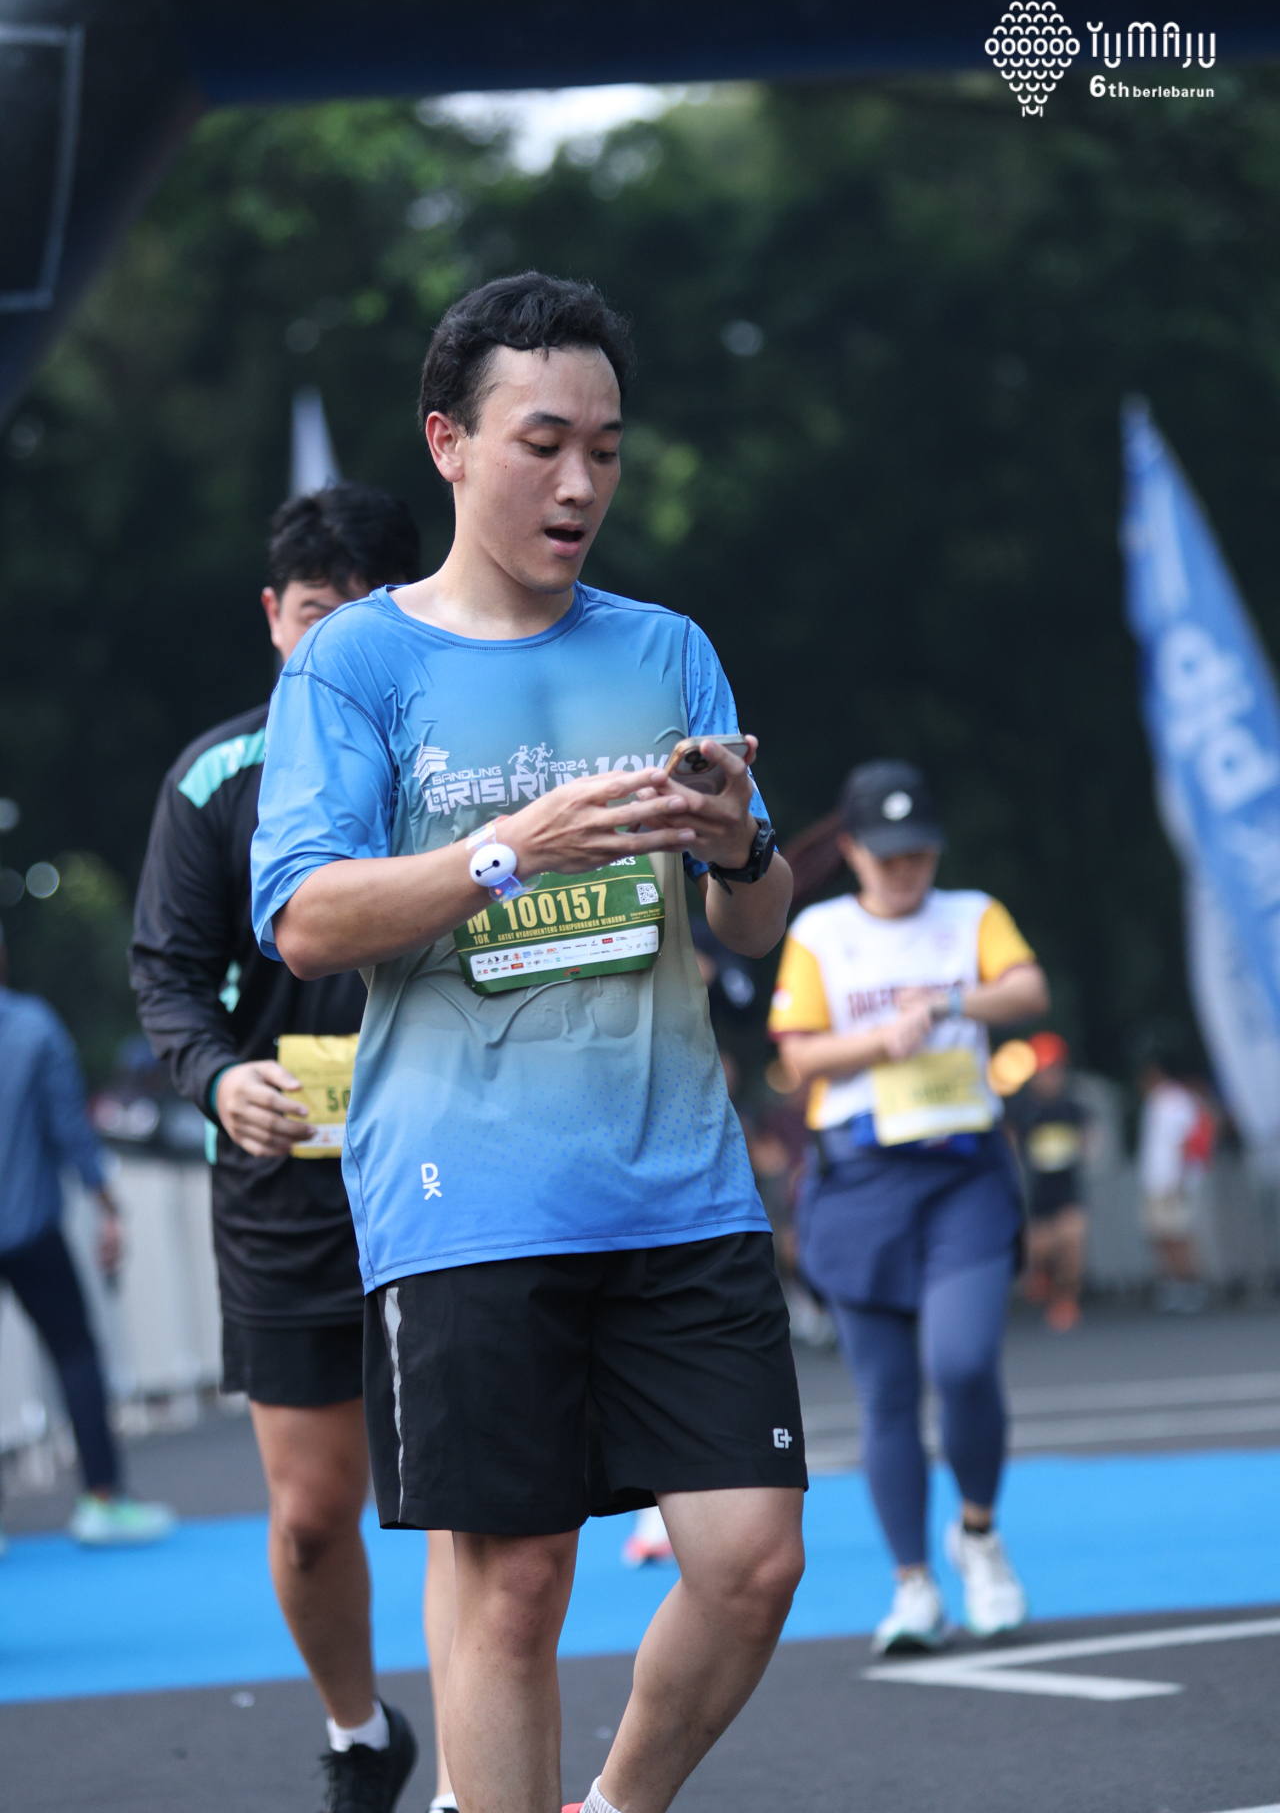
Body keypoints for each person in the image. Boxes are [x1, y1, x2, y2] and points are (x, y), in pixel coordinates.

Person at [250, 273, 807, 1813]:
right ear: (448, 442)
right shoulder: (356, 665)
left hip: (679, 1184)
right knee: (514, 1587)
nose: (580, 486)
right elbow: (304, 919)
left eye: (606, 451)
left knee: (753, 1561)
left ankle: (613, 1804)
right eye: (543, 444)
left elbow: (755, 925)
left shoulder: (668, 650)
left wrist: (741, 844)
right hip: (467, 1195)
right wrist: (512, 849)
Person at [130, 484, 453, 1813]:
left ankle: (478, 1770)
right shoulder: (215, 779)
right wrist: (219, 1082)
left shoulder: (462, 760)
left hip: (455, 1170)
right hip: (286, 1191)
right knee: (315, 1520)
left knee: (469, 1499)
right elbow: (166, 975)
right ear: (274, 618)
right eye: (316, 615)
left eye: (367, 616)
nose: (336, 643)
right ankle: (361, 1733)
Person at [768, 760, 1049, 1653]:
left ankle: (979, 1536)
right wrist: (879, 1041)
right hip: (858, 1182)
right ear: (851, 849)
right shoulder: (821, 932)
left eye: (919, 853)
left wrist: (952, 1000)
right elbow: (798, 1056)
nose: (904, 870)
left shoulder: (971, 915)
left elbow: (1029, 990)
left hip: (963, 1173)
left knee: (962, 1362)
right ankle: (913, 1585)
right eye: (886, 855)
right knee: (886, 1396)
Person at [0, 922, 174, 1551]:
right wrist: (108, 1207)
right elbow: (70, 1130)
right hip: (28, 1226)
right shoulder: (32, 1026)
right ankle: (101, 1498)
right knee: (74, 1353)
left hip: (28, 1220)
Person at [1008, 1031, 1089, 1332]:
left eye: (1054, 1072)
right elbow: (1010, 1148)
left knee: (1072, 1241)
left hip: (1068, 1193)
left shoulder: (1072, 1110)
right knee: (1038, 1249)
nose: (1049, 1079)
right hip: (1035, 1196)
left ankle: (1066, 1300)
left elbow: (1091, 1143)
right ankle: (1041, 1275)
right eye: (1043, 1073)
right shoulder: (1022, 1111)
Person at [1136, 1053, 1215, 1313]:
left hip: (1171, 1182)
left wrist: (1181, 1179)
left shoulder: (1175, 1100)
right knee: (1161, 1237)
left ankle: (1191, 1286)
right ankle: (1173, 1286)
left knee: (1179, 1236)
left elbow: (1185, 1140)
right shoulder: (1157, 1101)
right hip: (1156, 1182)